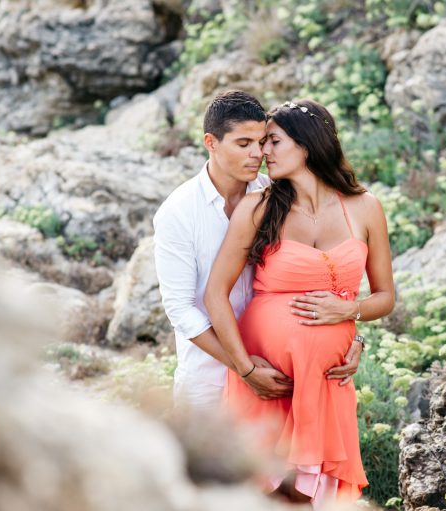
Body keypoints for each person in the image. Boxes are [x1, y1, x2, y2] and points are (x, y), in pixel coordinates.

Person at [204, 99, 395, 507]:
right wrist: (246, 367)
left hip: (325, 380)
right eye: (258, 143)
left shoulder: (365, 207)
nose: (262, 153)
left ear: (306, 145)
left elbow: (385, 297)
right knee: (262, 493)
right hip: (265, 379)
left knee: (309, 499)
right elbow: (214, 294)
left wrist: (350, 313)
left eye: (273, 141)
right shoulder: (259, 207)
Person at [153, 91, 362, 411]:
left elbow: (320, 274)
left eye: (262, 141)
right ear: (211, 142)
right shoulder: (178, 213)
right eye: (243, 144)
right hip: (209, 381)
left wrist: (353, 340)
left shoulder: (276, 195)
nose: (258, 153)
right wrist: (244, 367)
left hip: (281, 373)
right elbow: (181, 310)